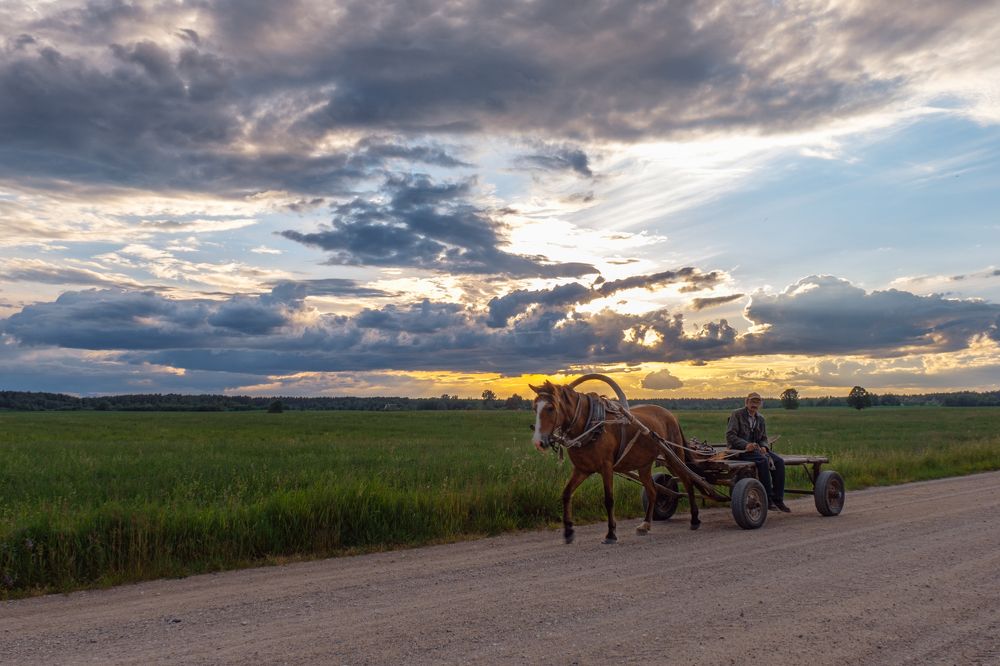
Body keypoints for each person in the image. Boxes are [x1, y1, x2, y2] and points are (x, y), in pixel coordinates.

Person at [726, 392, 790, 512]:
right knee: (763, 460)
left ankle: (778, 499)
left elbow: (763, 438)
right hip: (739, 451)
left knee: (779, 462)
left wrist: (764, 447)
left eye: (757, 402)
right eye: (752, 402)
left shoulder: (760, 419)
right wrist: (746, 445)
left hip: (756, 450)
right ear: (746, 402)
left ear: (760, 404)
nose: (754, 405)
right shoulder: (737, 414)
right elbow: (730, 436)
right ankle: (767, 498)